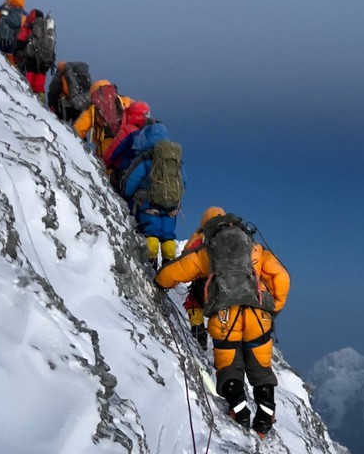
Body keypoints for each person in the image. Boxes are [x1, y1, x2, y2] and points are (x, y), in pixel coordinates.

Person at [155, 212, 290, 436]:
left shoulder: (209, 251)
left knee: (229, 368)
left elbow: (177, 271)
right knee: (261, 370)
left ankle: (239, 411)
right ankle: (265, 419)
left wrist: (159, 281)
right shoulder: (255, 248)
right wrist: (273, 307)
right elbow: (282, 277)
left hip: (225, 317)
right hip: (257, 316)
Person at [121, 121, 185, 269]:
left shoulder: (146, 158)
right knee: (168, 234)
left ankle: (150, 265)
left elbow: (132, 180)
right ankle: (169, 265)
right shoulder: (176, 160)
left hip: (149, 205)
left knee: (151, 232)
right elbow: (184, 182)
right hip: (171, 207)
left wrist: (127, 194)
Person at [180, 206, 227, 350]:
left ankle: (199, 337)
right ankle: (223, 348)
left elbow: (186, 254)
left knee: (194, 304)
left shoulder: (201, 235)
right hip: (224, 284)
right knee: (222, 316)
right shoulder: (231, 235)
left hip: (202, 283)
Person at [73, 80, 132, 161]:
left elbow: (78, 128)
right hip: (126, 142)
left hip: (106, 149)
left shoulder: (93, 108)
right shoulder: (125, 100)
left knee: (109, 170)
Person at [103, 100, 151, 189]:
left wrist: (102, 163)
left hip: (124, 172)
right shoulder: (149, 133)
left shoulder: (128, 130)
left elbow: (112, 151)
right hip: (144, 178)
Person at [13, 9, 56, 98]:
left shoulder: (30, 26)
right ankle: (40, 105)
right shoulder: (46, 29)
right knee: (39, 87)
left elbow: (20, 40)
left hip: (30, 59)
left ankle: (26, 102)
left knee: (28, 84)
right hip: (44, 62)